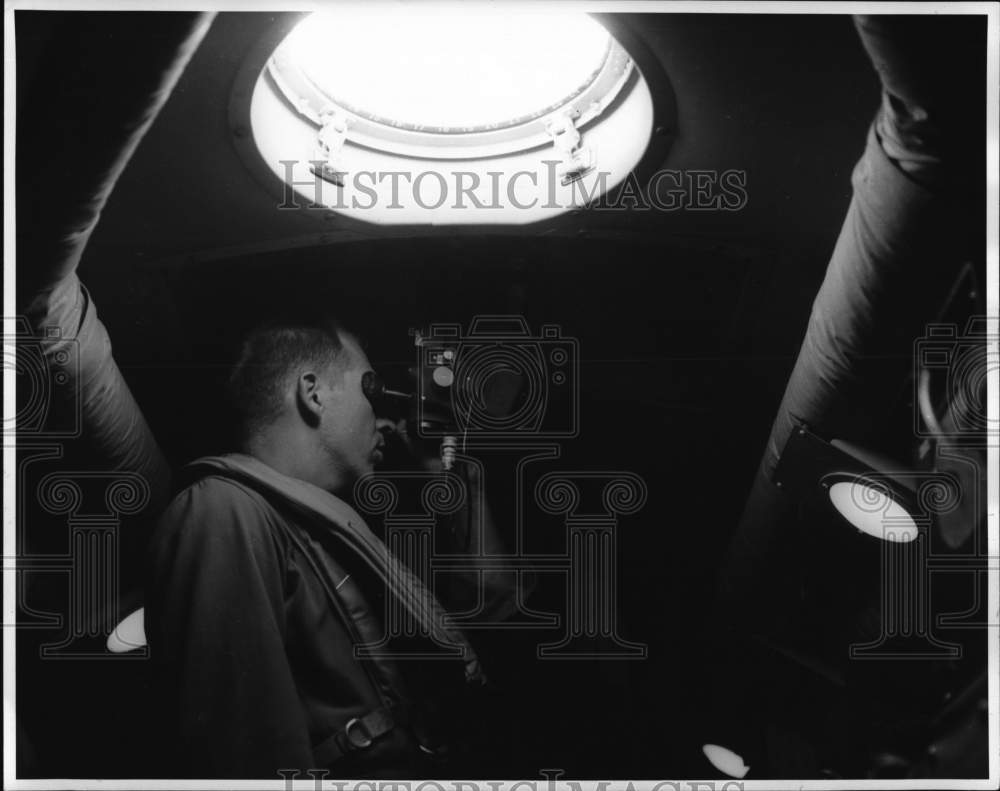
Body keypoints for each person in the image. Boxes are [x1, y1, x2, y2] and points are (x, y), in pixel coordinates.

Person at [144, 319, 514, 779]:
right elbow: (240, 754)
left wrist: (455, 478)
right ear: (313, 393)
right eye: (370, 389)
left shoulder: (316, 527)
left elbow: (492, 608)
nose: (384, 419)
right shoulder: (222, 510)